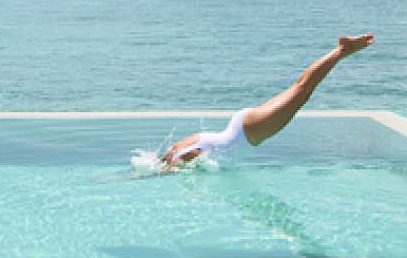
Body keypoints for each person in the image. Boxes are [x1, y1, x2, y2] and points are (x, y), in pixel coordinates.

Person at [161, 34, 375, 169]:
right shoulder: (173, 151)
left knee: (302, 91)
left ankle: (341, 50)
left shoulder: (176, 160)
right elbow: (195, 149)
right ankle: (341, 51)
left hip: (247, 134)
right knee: (298, 89)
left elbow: (194, 155)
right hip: (241, 125)